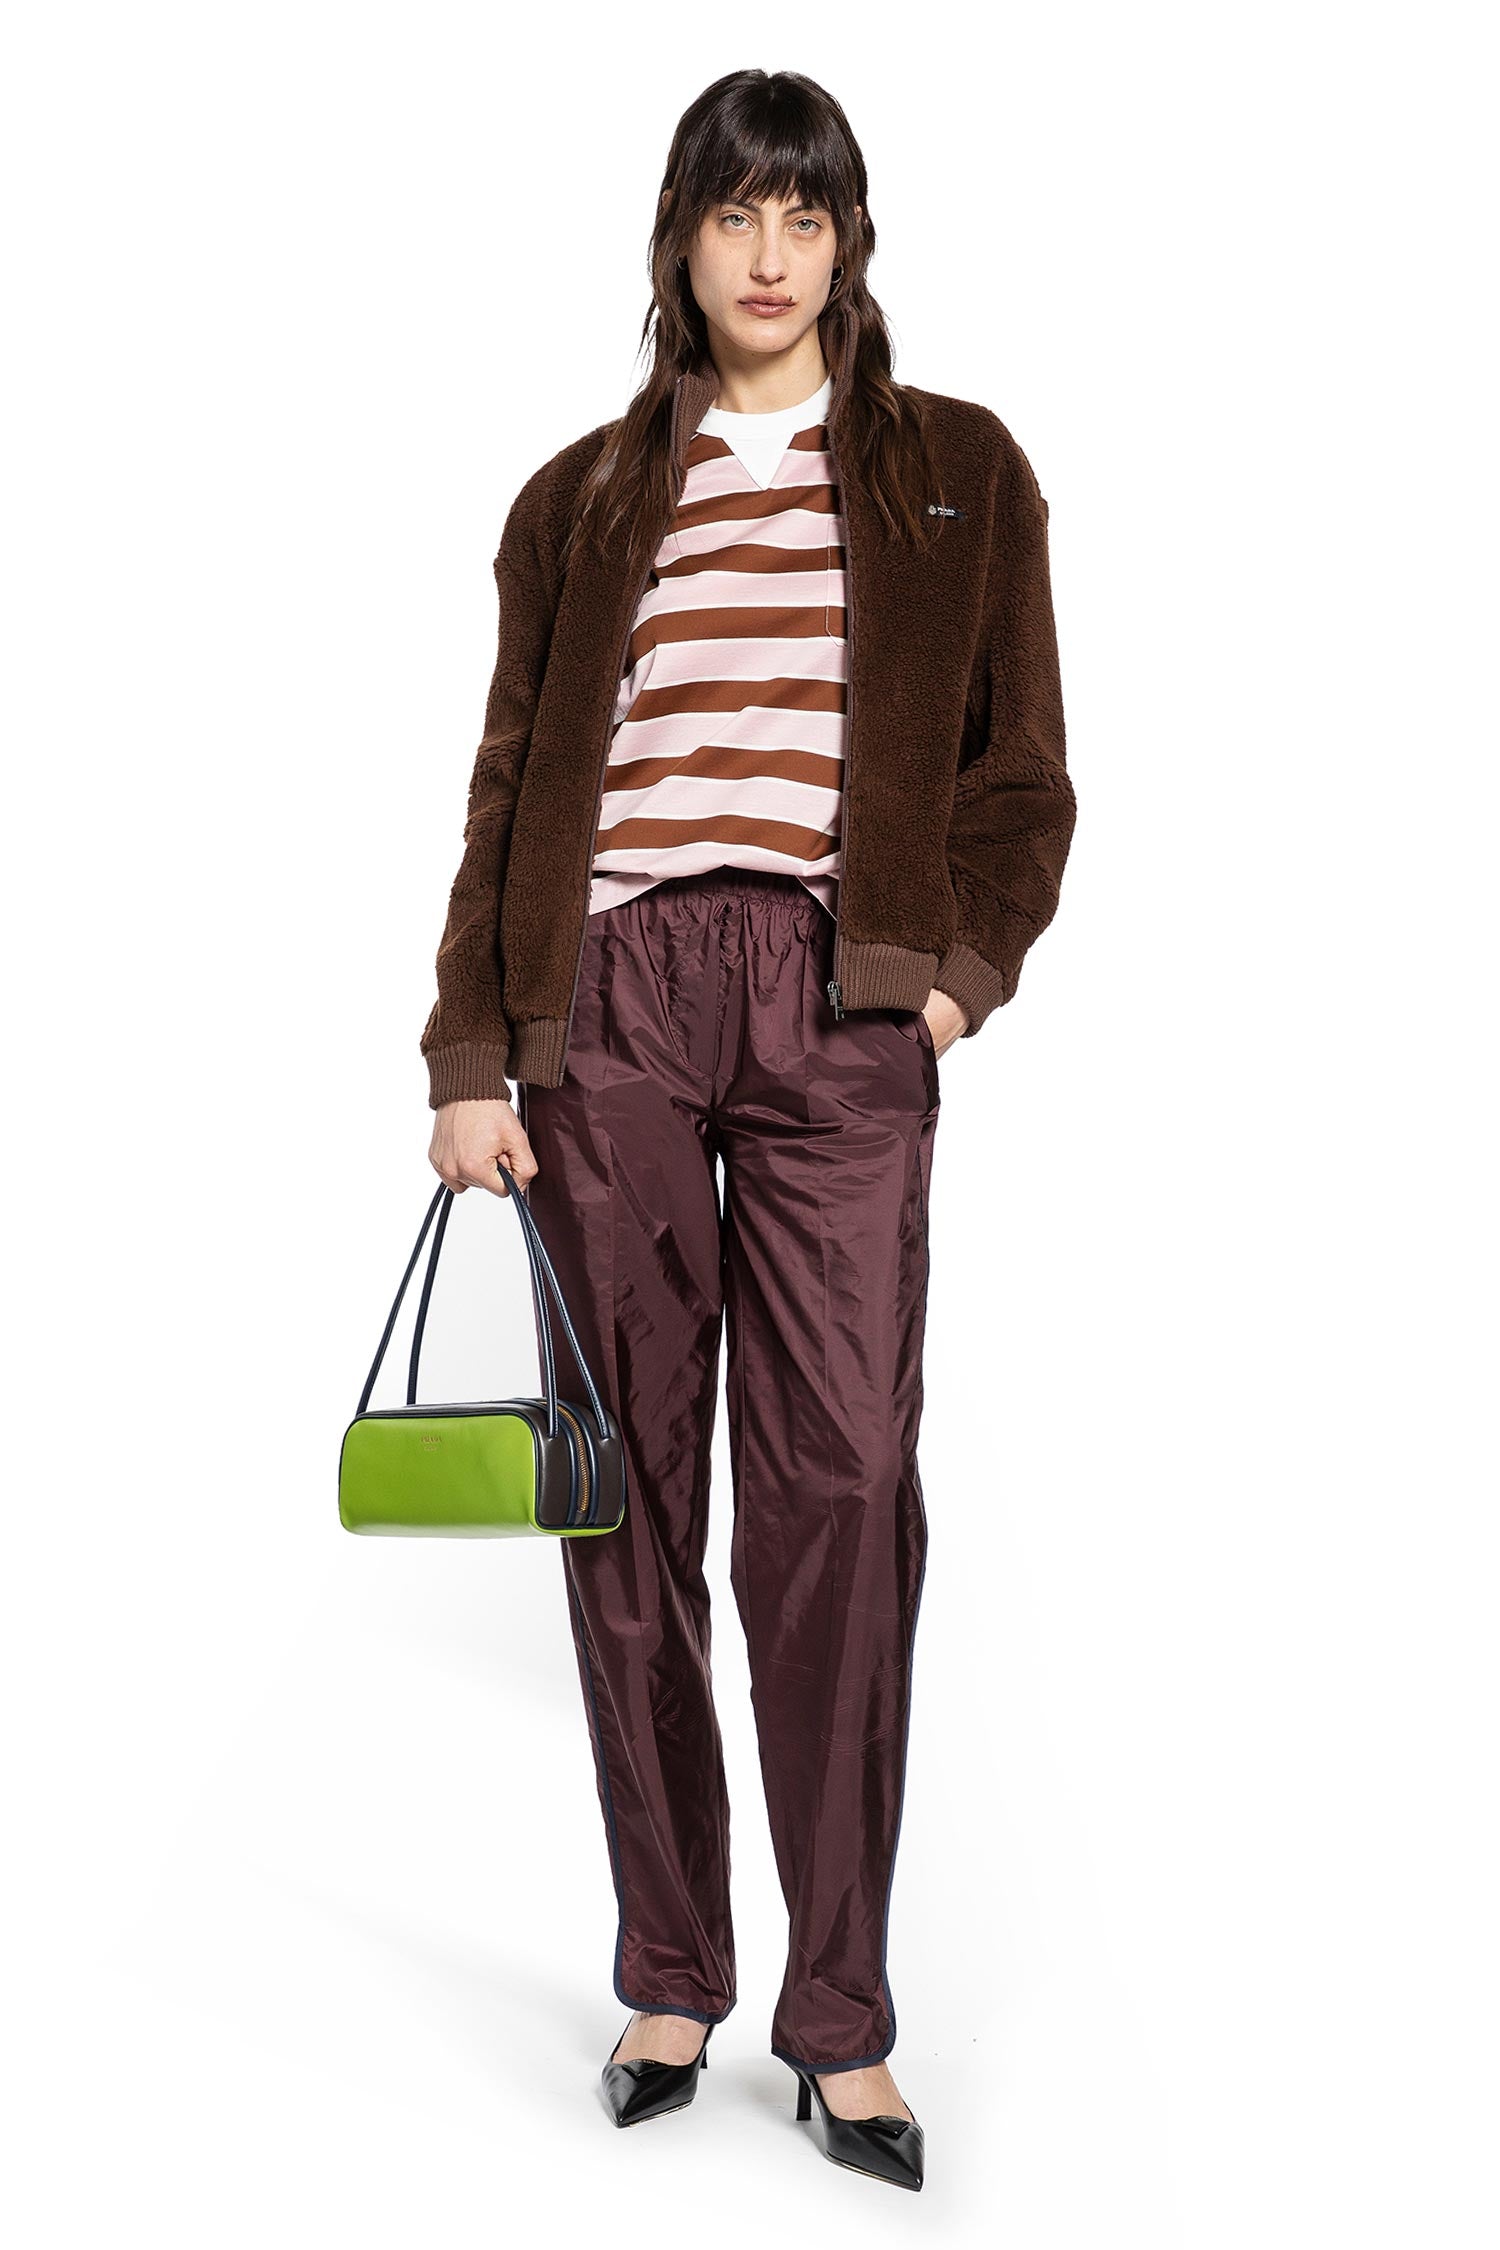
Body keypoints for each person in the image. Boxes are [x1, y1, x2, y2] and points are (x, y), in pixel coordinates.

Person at [421, 68, 1075, 2192]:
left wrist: (949, 973)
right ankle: (671, 1969)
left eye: (806, 215)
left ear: (849, 240)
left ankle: (843, 2015)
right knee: (623, 1497)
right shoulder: (579, 500)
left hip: (837, 997)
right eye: (735, 214)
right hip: (608, 1001)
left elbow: (1021, 776)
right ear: (681, 242)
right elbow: (512, 787)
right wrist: (468, 1049)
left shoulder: (958, 473)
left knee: (844, 1494)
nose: (771, 255)